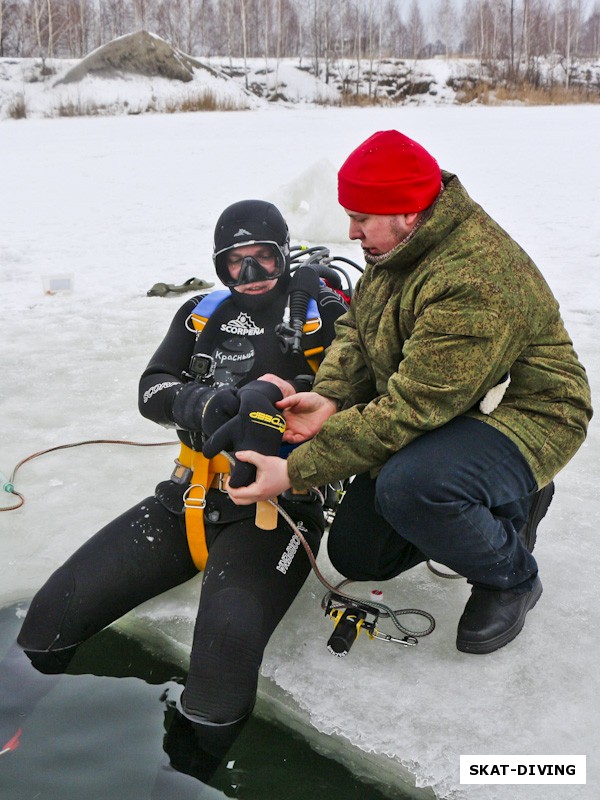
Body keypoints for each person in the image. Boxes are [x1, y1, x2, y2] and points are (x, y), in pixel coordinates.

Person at [0, 200, 348, 786]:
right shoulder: (200, 313)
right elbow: (151, 388)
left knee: (219, 662)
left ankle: (182, 782)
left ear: (285, 255)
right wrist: (205, 402)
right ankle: (10, 724)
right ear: (219, 266)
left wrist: (279, 401)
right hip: (188, 496)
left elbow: (360, 393)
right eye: (235, 262)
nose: (251, 272)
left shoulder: (323, 313)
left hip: (279, 510)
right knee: (52, 613)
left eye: (264, 256)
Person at [226, 130, 593, 656]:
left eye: (362, 218)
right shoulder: (399, 244)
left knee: (412, 487)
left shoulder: (476, 277)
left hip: (526, 411)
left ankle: (511, 574)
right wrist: (329, 398)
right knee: (359, 556)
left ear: (407, 211)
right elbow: (358, 329)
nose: (350, 232)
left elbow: (413, 407)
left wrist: (298, 469)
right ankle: (481, 501)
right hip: (450, 400)